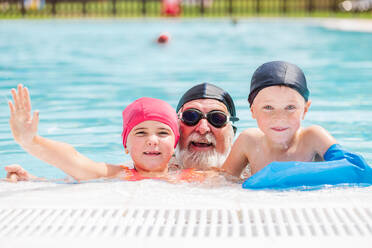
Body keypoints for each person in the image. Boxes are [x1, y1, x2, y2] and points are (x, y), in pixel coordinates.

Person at [6, 85, 208, 182]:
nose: (152, 141)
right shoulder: (119, 174)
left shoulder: (192, 177)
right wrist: (31, 142)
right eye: (141, 133)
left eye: (163, 132)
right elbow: (74, 160)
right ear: (126, 146)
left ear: (175, 144)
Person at [221, 61, 337, 178]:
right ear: (253, 111)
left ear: (305, 110)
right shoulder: (249, 142)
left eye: (290, 107)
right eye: (268, 107)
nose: (280, 118)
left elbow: (350, 165)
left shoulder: (313, 138)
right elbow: (221, 180)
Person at [174, 83, 239, 170]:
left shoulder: (253, 171)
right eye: (190, 116)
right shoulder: (154, 165)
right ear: (174, 128)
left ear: (232, 134)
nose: (203, 129)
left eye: (217, 119)